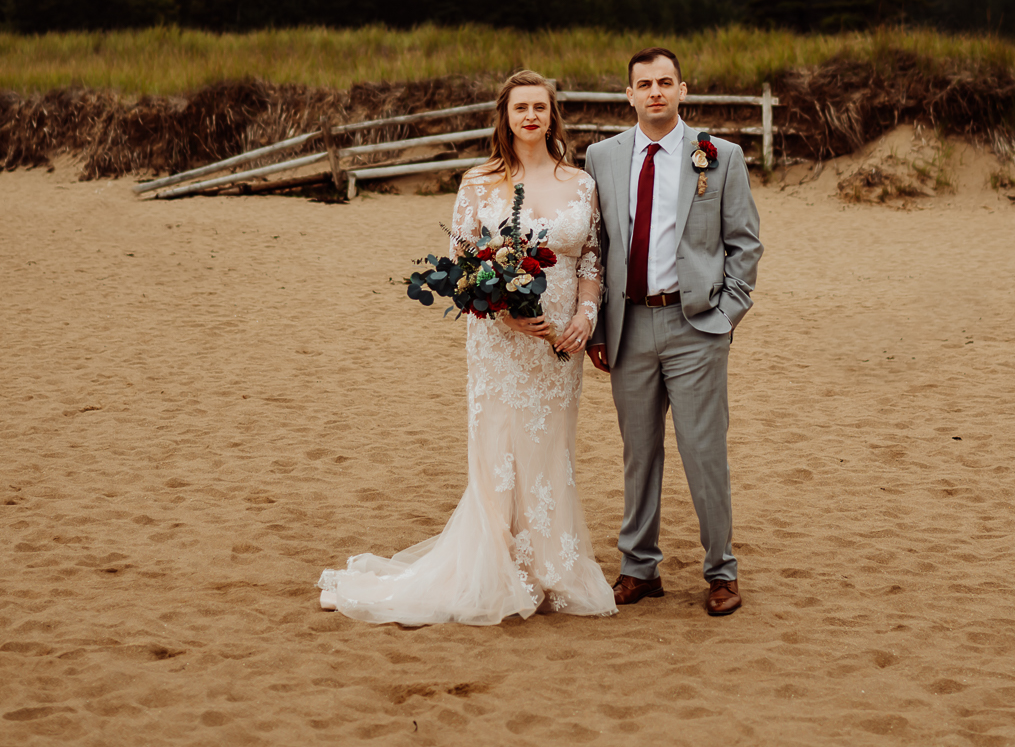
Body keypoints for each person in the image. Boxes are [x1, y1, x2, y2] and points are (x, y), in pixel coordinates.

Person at [317, 69, 618, 625]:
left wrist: (585, 315)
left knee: (550, 446)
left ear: (553, 116)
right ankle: (496, 570)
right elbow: (460, 268)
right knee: (499, 449)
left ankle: (549, 568)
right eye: (520, 107)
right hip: (500, 343)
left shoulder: (580, 182)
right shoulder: (478, 183)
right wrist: (501, 313)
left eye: (541, 107)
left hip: (558, 344)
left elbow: (593, 259)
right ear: (504, 116)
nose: (531, 116)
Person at [584, 46, 762, 617]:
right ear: (629, 94)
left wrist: (725, 315)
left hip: (695, 328)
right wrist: (597, 326)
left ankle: (721, 571)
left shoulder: (720, 155)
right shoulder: (602, 158)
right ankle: (640, 568)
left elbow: (745, 243)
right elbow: (597, 246)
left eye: (666, 82)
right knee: (639, 453)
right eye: (644, 84)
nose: (655, 91)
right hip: (628, 324)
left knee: (703, 450)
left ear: (683, 90)